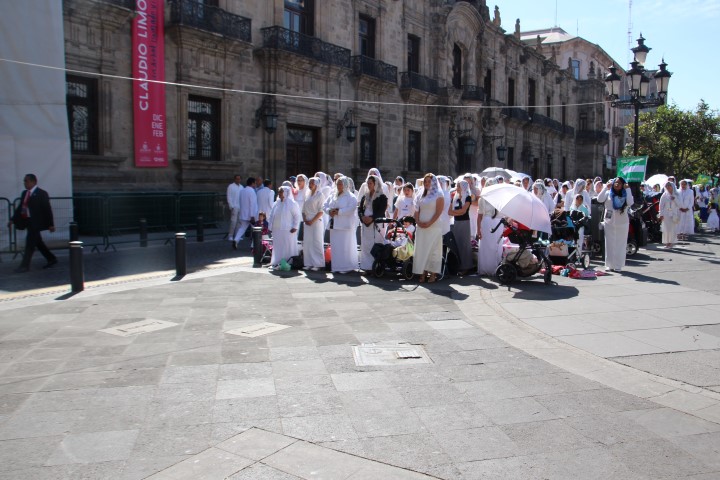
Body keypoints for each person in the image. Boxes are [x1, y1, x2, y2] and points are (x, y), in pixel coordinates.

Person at [8, 174, 57, 273]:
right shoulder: (25, 193)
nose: (25, 183)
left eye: (26, 181)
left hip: (37, 223)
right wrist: (13, 219)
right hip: (28, 221)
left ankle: (24, 266)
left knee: (29, 244)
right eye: (24, 181)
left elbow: (47, 209)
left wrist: (51, 224)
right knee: (38, 242)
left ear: (33, 182)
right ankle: (51, 258)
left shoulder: (42, 193)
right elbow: (21, 207)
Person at [597, 177, 634, 272]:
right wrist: (606, 187)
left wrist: (628, 189)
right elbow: (599, 199)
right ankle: (609, 264)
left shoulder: (625, 194)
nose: (617, 184)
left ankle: (618, 265)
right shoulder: (608, 193)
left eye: (619, 183)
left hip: (622, 223)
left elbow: (630, 202)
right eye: (615, 183)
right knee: (609, 243)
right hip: (609, 222)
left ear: (623, 185)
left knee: (620, 244)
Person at [413, 173, 444, 283]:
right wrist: (418, 221)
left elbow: (438, 212)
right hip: (421, 226)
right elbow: (416, 210)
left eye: (429, 181)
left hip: (434, 226)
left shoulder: (439, 195)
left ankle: (433, 273)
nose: (426, 183)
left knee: (433, 250)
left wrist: (429, 223)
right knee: (422, 249)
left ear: (433, 182)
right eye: (425, 181)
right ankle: (422, 272)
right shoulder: (420, 194)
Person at [324, 176, 358, 273]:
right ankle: (336, 267)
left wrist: (339, 212)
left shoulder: (351, 196)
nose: (338, 185)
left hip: (345, 226)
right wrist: (329, 211)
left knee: (345, 247)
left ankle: (346, 267)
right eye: (337, 183)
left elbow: (352, 208)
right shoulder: (333, 195)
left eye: (340, 184)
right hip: (334, 224)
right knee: (335, 247)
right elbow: (325, 205)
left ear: (345, 185)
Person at [358, 174, 388, 271]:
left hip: (376, 224)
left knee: (374, 245)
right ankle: (365, 267)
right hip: (365, 224)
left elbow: (381, 210)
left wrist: (372, 218)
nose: (369, 185)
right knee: (365, 245)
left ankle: (374, 267)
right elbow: (360, 209)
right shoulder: (365, 196)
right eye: (368, 183)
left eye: (371, 183)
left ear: (375, 184)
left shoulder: (382, 197)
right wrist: (362, 217)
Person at [268, 186, 301, 267]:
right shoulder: (276, 203)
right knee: (278, 246)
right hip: (277, 229)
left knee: (287, 246)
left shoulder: (292, 203)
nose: (279, 193)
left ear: (286, 192)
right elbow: (271, 215)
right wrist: (270, 226)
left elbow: (297, 216)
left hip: (288, 229)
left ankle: (288, 262)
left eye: (281, 191)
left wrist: (295, 226)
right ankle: (277, 261)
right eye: (279, 191)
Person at [476, 177, 503, 276]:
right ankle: (485, 269)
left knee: (496, 246)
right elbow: (479, 215)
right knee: (486, 246)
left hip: (498, 223)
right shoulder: (482, 199)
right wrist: (478, 230)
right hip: (487, 223)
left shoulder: (501, 198)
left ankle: (496, 268)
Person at [448, 179, 473, 275]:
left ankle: (466, 266)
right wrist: (456, 213)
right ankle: (457, 266)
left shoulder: (468, 197)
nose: (457, 188)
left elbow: (463, 211)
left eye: (459, 186)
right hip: (456, 222)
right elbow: (449, 211)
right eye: (457, 186)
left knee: (464, 245)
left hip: (464, 222)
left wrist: (454, 212)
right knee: (457, 244)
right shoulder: (454, 197)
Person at [302, 177, 326, 271]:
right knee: (308, 243)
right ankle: (309, 263)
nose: (310, 185)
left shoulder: (320, 195)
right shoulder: (307, 194)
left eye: (312, 183)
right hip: (307, 221)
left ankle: (318, 264)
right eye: (309, 183)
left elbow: (321, 211)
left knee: (316, 242)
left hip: (316, 221)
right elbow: (303, 209)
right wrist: (305, 219)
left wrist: (312, 221)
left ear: (316, 184)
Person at [232, 177, 259, 249]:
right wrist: (252, 215)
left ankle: (236, 239)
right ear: (252, 183)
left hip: (243, 213)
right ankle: (253, 245)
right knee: (256, 230)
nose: (255, 184)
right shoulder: (252, 191)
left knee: (242, 228)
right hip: (251, 215)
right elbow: (252, 204)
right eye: (255, 183)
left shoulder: (242, 191)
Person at [658, 181, 681, 248]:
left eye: (669, 186)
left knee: (672, 229)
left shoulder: (677, 194)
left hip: (674, 213)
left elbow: (680, 205)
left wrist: (675, 199)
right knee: (666, 229)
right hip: (666, 213)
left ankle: (671, 242)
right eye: (667, 186)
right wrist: (661, 214)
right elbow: (661, 205)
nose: (668, 187)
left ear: (672, 186)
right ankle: (667, 242)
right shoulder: (664, 195)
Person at [226, 174, 244, 242]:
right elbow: (229, 196)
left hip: (240, 206)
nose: (238, 180)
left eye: (239, 179)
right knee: (233, 222)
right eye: (237, 179)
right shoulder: (230, 186)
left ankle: (237, 235)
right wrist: (231, 206)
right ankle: (230, 235)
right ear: (234, 179)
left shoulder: (242, 187)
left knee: (239, 222)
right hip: (234, 206)